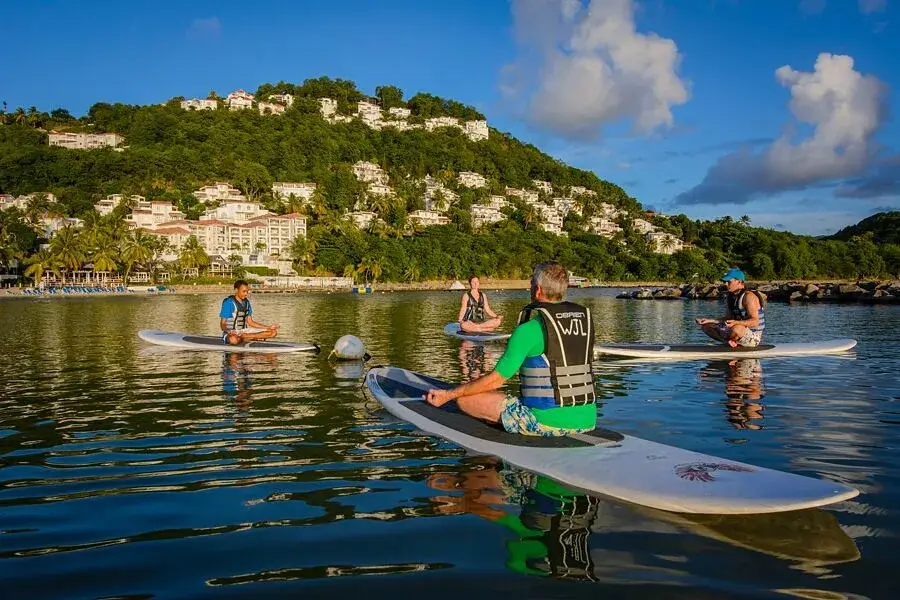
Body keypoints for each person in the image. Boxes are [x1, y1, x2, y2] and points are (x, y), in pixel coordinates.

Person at [427, 261, 597, 437]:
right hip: (588, 420)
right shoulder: (586, 322)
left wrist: (449, 394)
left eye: (531, 283)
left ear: (537, 290)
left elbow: (496, 381)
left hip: (545, 423)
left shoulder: (528, 330)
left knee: (465, 400)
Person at [695, 268, 766, 348]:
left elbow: (755, 322)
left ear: (739, 282)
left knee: (737, 328)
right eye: (725, 282)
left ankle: (732, 341)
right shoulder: (731, 297)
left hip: (753, 336)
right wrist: (710, 320)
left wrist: (736, 323)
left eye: (729, 282)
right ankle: (731, 341)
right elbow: (728, 318)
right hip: (735, 330)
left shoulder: (749, 296)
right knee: (706, 326)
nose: (726, 284)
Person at [219, 280, 280, 345]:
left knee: (273, 332)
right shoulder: (228, 302)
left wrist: (268, 327)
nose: (246, 294)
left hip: (244, 331)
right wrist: (229, 331)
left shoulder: (247, 303)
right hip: (232, 333)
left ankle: (246, 337)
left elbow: (250, 322)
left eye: (247, 291)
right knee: (233, 340)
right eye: (244, 291)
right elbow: (222, 324)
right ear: (236, 290)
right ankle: (251, 338)